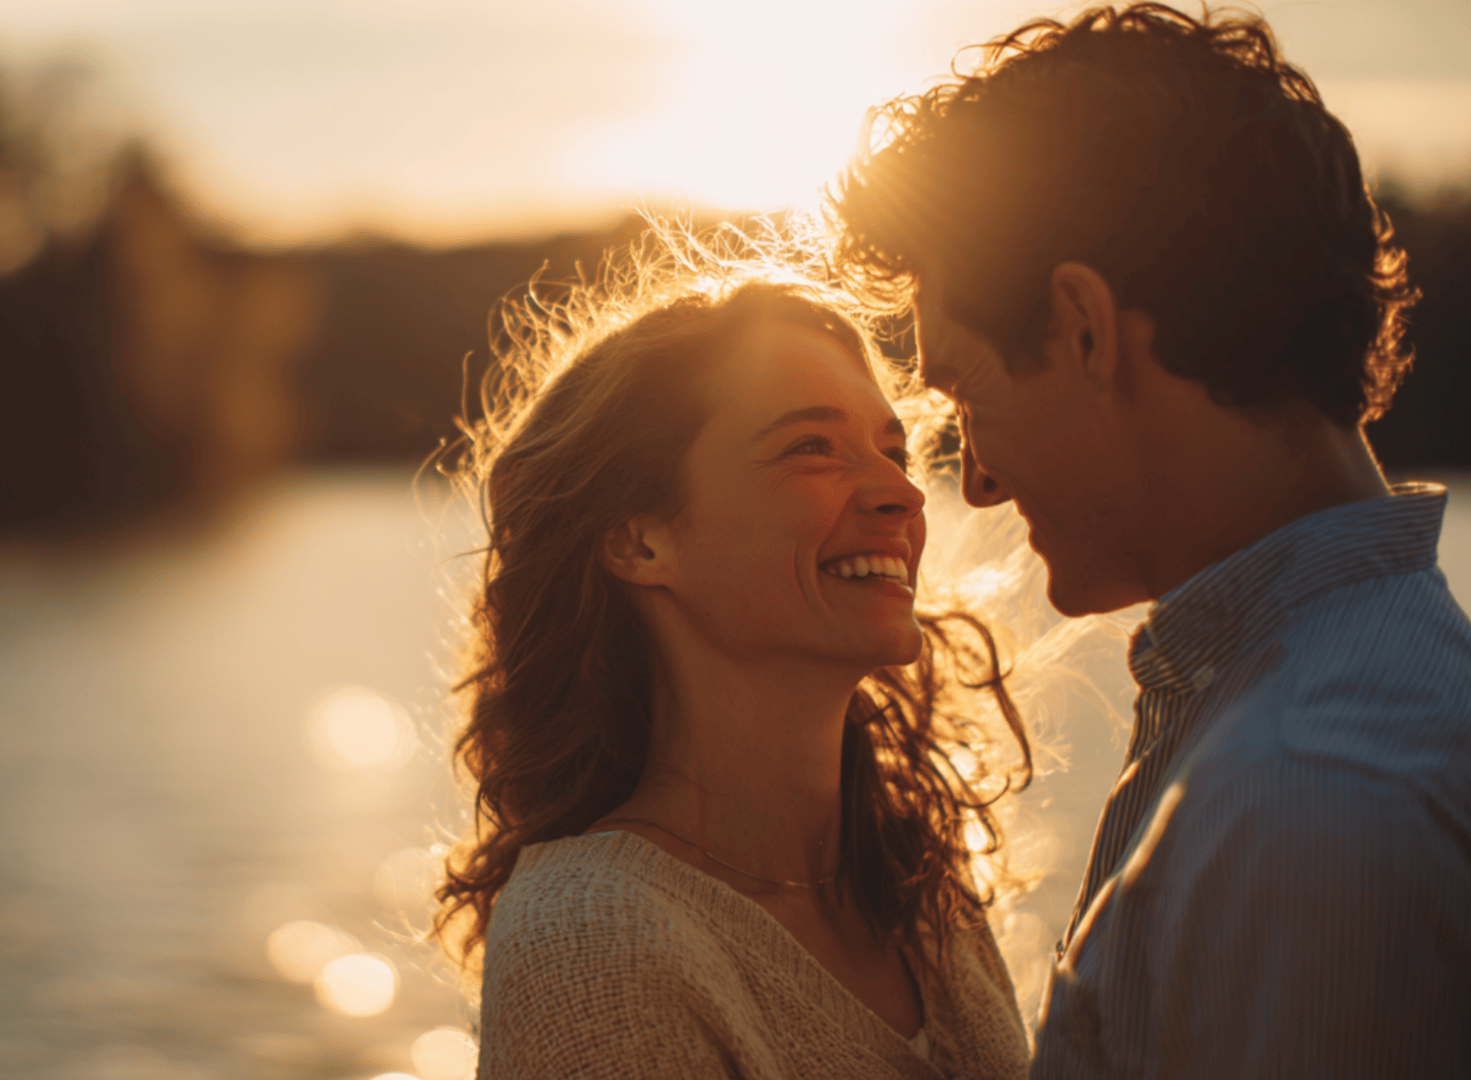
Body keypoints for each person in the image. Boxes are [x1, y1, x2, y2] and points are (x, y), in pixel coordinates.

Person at [833, 4, 1471, 1076]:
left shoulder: (1299, 805)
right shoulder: (1343, 708)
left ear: (1083, 331)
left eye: (967, 391)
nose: (976, 481)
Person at [433, 225, 1034, 1079]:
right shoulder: (594, 938)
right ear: (639, 542)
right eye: (811, 447)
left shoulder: (921, 896)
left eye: (894, 452)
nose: (903, 493)